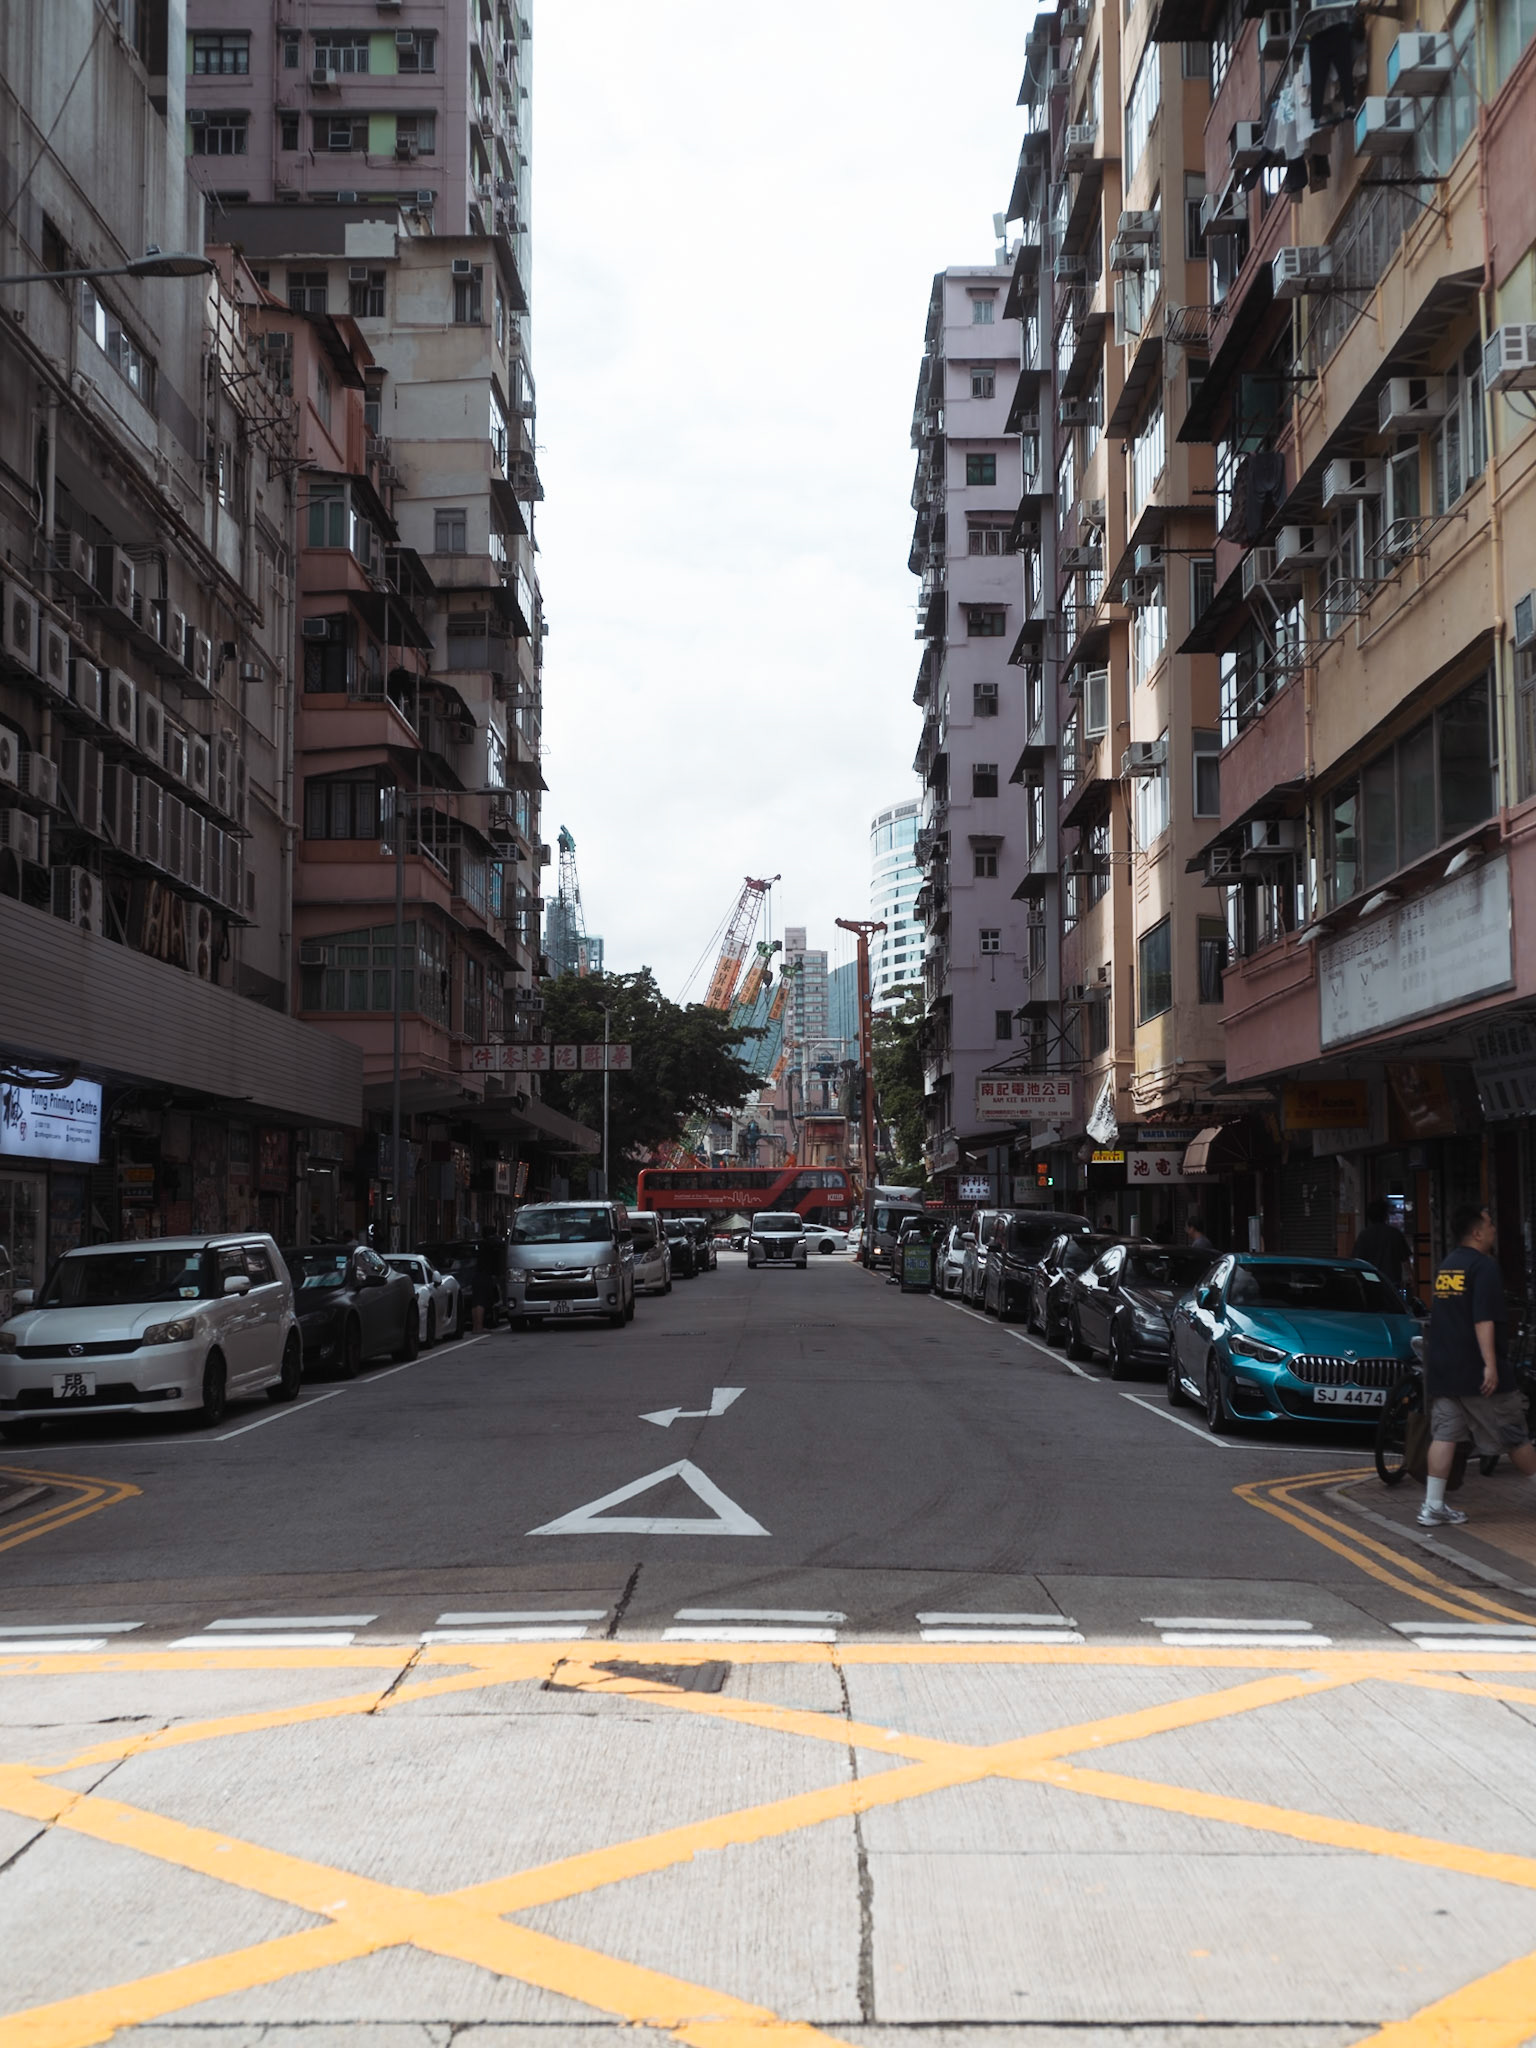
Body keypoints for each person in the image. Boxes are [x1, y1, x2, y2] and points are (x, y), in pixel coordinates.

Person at [1420, 1203, 1536, 1528]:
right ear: (1477, 1232)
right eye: (1490, 1225)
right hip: (1477, 1372)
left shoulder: (1446, 1266)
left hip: (1445, 1369)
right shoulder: (1483, 1267)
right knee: (1515, 1435)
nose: (1493, 1230)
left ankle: (1432, 1506)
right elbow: (1483, 1318)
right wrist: (1490, 1365)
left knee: (1445, 1435)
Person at [1353, 1198, 1413, 1294]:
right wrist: (1410, 1278)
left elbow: (1358, 1261)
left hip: (1370, 1281)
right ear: (1385, 1215)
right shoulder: (1395, 1234)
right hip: (1392, 1282)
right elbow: (1405, 1260)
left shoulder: (1364, 1235)